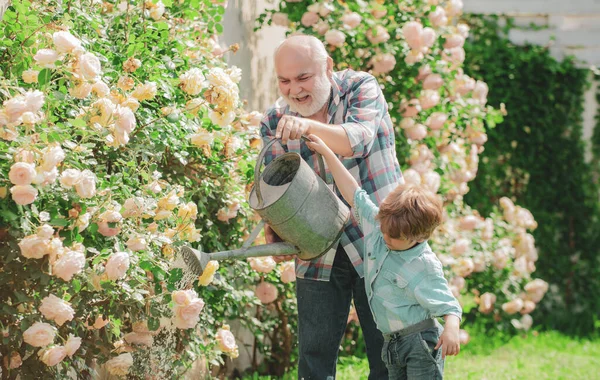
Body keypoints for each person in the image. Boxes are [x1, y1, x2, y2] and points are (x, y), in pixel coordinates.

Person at [259, 35, 402, 379]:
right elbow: (276, 186)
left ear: (327, 67)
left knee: (388, 356)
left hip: (381, 241)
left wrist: (307, 127)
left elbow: (358, 139)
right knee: (314, 360)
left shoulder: (360, 87)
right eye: (284, 81)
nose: (294, 90)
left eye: (303, 77)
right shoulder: (274, 120)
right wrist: (275, 228)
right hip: (318, 247)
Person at [305, 133, 463, 379]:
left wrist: (451, 330)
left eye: (394, 237)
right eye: (385, 229)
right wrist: (327, 152)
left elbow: (449, 305)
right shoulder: (381, 227)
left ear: (419, 237)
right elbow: (353, 193)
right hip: (391, 342)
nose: (385, 238)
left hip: (420, 342)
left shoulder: (424, 264)